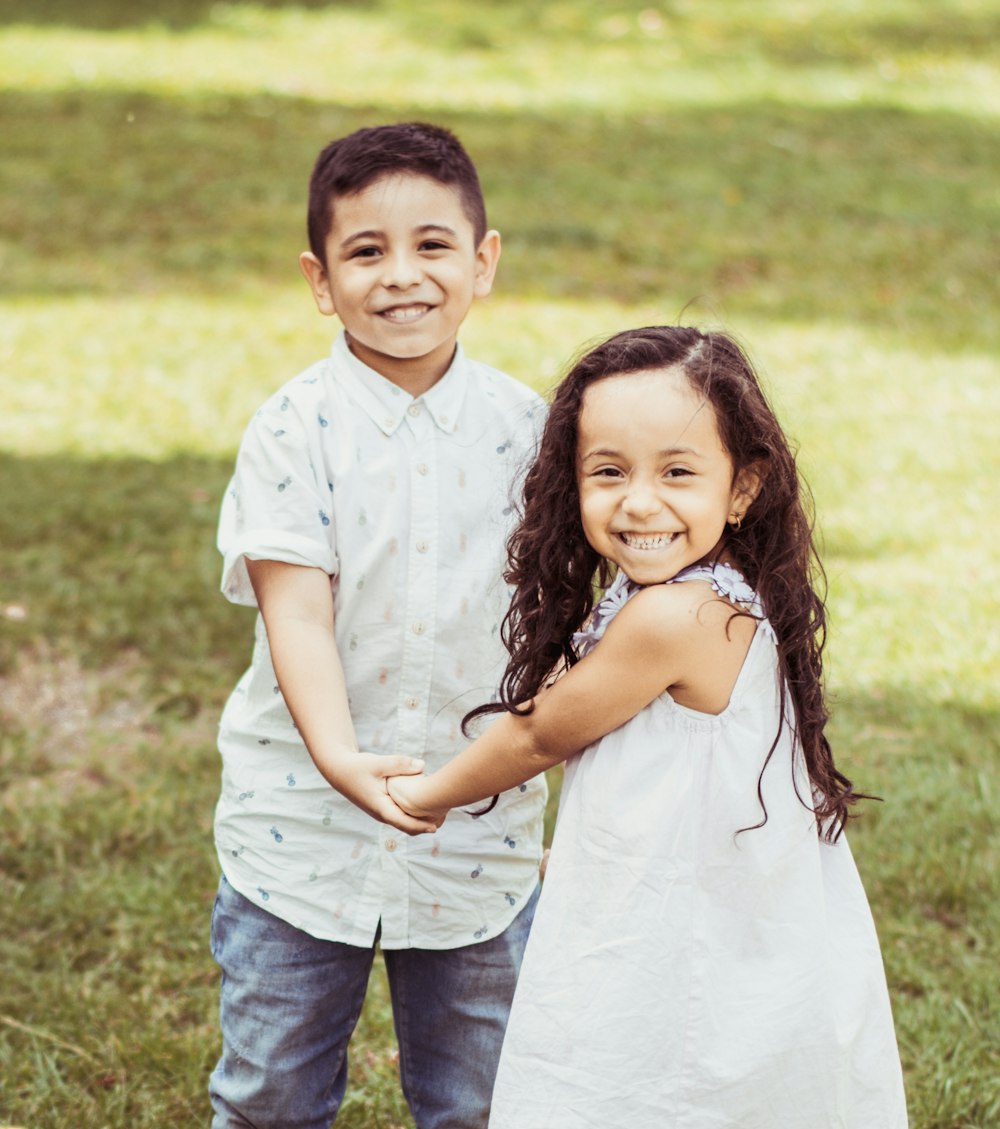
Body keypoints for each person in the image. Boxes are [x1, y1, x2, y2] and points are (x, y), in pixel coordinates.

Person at [389, 325, 909, 1128]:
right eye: (609, 471)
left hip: (687, 928)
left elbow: (538, 735)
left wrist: (428, 795)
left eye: (676, 471)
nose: (639, 500)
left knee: (654, 1075)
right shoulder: (703, 587)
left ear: (742, 488)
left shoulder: (676, 613)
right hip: (712, 896)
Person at [209, 122, 547, 1129]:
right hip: (298, 835)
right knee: (271, 1091)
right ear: (320, 279)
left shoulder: (533, 432)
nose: (402, 275)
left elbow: (564, 615)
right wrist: (341, 757)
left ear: (483, 262)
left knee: (483, 1099)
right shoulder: (291, 428)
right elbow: (297, 615)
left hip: (478, 838)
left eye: (433, 245)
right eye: (367, 251)